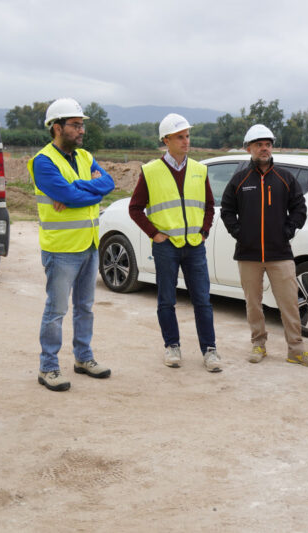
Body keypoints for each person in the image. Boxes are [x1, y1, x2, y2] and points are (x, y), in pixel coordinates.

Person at [27, 98, 115, 391]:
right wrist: (84, 191)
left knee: (85, 307)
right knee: (56, 310)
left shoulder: (85, 156)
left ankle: (83, 358)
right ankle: (48, 367)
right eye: (75, 125)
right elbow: (71, 193)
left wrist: (78, 191)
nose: (81, 131)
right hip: (62, 249)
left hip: (89, 245)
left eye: (82, 125)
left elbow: (108, 184)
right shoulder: (43, 161)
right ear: (56, 127)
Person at [128, 113, 222, 372]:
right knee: (166, 299)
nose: (186, 141)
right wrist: (154, 234)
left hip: (194, 245)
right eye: (180, 137)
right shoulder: (151, 171)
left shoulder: (199, 170)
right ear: (166, 140)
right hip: (166, 247)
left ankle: (210, 350)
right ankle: (172, 346)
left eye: (187, 136)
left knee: (202, 299)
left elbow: (209, 206)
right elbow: (135, 209)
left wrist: (204, 231)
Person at [220, 124, 308, 368]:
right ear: (249, 149)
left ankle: (296, 349)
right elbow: (227, 210)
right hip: (248, 253)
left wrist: (288, 230)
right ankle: (258, 344)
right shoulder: (239, 179)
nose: (264, 149)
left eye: (267, 144)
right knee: (253, 304)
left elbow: (299, 208)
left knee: (289, 303)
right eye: (258, 145)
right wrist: (239, 234)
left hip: (280, 253)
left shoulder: (284, 178)